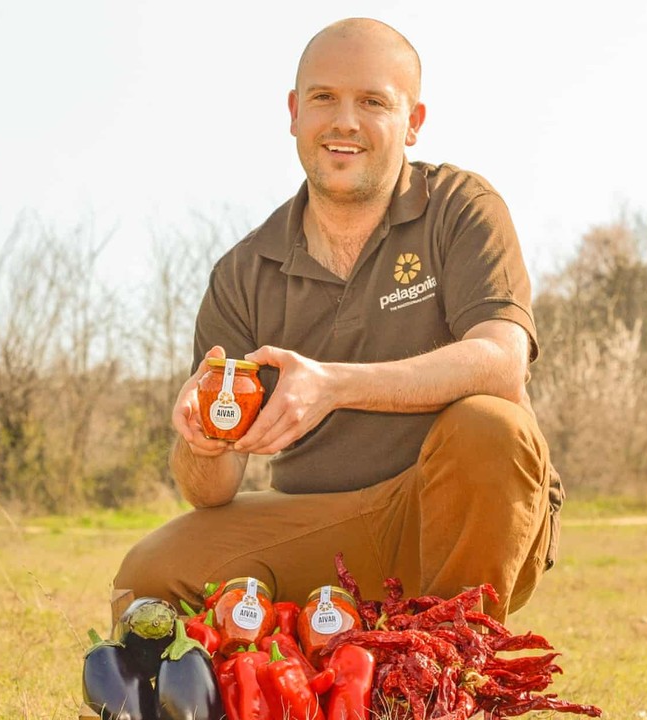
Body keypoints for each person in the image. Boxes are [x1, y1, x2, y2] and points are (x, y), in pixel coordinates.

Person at [113, 17, 562, 623]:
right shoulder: (245, 271)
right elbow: (210, 490)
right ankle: (309, 659)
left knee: (492, 426)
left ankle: (449, 680)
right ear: (295, 112)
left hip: (456, 519)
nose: (345, 121)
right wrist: (202, 440)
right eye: (324, 98)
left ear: (413, 123)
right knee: (151, 575)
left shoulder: (461, 208)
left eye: (373, 101)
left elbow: (503, 364)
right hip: (322, 521)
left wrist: (333, 385)